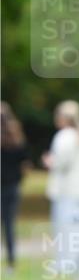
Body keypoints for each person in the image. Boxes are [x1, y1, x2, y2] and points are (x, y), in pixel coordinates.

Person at [42, 101, 79, 271]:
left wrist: (50, 161)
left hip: (67, 191)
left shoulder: (65, 135)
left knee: (66, 228)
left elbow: (61, 162)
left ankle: (67, 263)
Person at [1, 102, 31, 271]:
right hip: (12, 186)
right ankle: (11, 263)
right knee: (9, 226)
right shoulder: (16, 136)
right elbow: (25, 165)